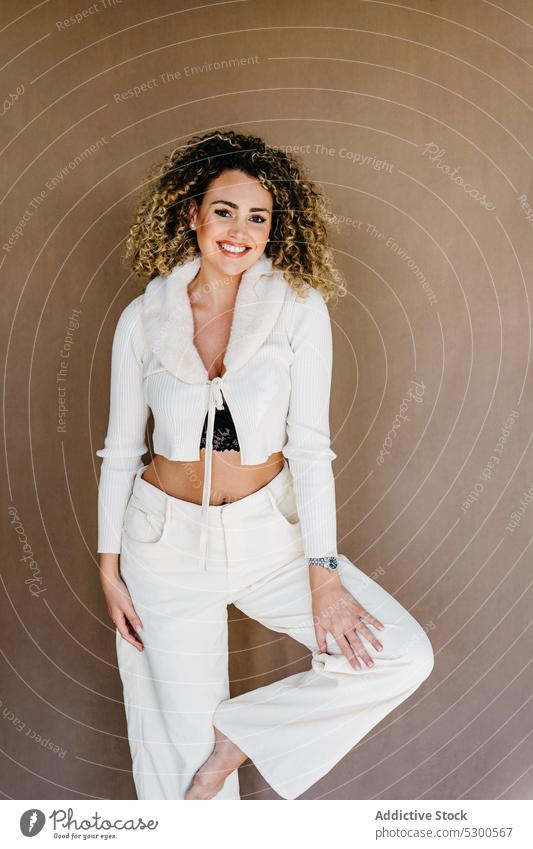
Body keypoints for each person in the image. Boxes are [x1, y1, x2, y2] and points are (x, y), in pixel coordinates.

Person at [95, 129, 434, 801]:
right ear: (191, 212)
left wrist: (324, 572)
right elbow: (120, 450)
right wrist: (108, 566)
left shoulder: (297, 309)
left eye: (258, 217)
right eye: (225, 210)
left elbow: (310, 447)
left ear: (275, 229)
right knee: (179, 770)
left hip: (268, 538)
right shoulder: (143, 317)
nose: (240, 230)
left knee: (397, 653)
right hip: (162, 543)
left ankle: (242, 734)